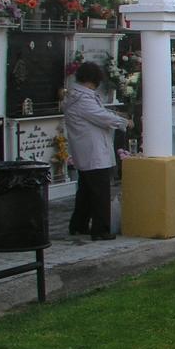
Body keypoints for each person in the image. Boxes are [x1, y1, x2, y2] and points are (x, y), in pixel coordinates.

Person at [61, 62, 131, 240]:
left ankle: (78, 224)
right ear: (93, 81)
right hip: (94, 151)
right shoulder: (82, 99)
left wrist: (116, 117)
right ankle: (101, 229)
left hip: (87, 149)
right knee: (100, 192)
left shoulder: (77, 95)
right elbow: (101, 117)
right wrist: (123, 122)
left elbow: (99, 113)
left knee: (85, 191)